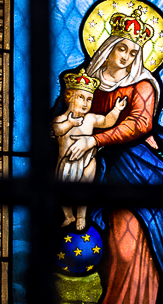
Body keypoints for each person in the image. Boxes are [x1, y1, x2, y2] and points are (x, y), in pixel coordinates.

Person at [63, 8, 163, 304]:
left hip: (138, 169)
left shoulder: (143, 85)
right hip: (93, 170)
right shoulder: (86, 80)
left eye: (134, 52)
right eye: (122, 48)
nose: (127, 57)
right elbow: (66, 113)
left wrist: (95, 139)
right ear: (108, 47)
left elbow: (139, 124)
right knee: (103, 238)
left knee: (132, 243)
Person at [52, 69, 127, 231]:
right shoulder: (61, 119)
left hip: (87, 161)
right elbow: (56, 131)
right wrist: (70, 123)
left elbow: (107, 121)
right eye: (81, 97)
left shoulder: (90, 119)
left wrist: (116, 110)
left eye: (89, 99)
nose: (86, 103)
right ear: (68, 97)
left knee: (84, 191)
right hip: (66, 164)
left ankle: (81, 217)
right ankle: (68, 216)